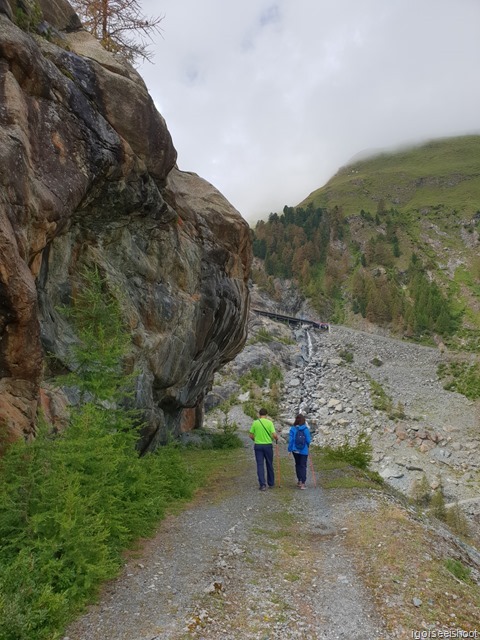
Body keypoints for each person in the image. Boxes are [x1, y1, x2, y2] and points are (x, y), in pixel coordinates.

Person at [249, 408, 279, 491]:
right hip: (268, 445)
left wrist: (256, 440)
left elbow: (250, 435)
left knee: (260, 465)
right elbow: (274, 435)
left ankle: (262, 485)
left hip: (258, 446)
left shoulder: (255, 423)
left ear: (259, 414)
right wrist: (276, 438)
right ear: (266, 415)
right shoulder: (269, 423)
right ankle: (271, 483)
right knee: (269, 464)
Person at [287, 414, 311, 489]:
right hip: (304, 450)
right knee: (303, 466)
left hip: (295, 450)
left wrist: (290, 449)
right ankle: (303, 484)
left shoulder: (293, 429)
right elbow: (308, 440)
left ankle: (299, 481)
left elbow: (291, 440)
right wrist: (307, 446)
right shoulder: (306, 429)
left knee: (297, 464)